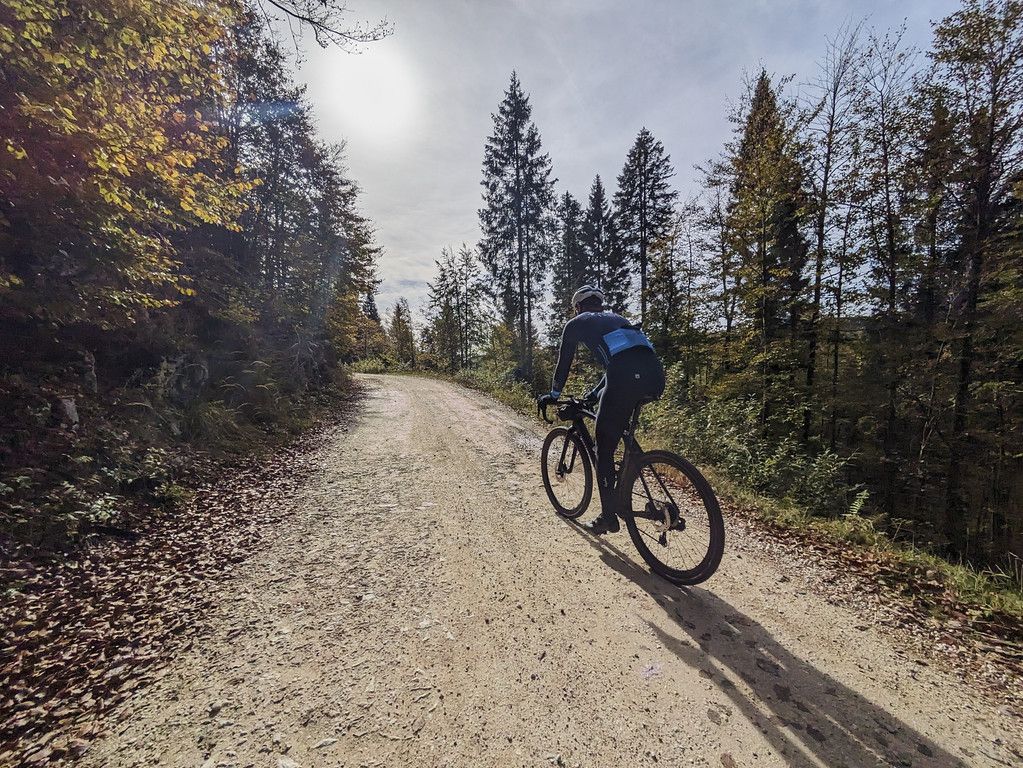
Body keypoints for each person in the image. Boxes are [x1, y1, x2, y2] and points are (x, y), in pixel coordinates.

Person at [538, 285, 665, 534]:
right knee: (618, 429)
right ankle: (628, 478)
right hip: (655, 376)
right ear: (599, 303)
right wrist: (593, 397)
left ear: (578, 307)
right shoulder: (619, 319)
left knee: (603, 447)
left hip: (625, 377)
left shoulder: (577, 323)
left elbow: (565, 361)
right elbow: (620, 364)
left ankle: (608, 517)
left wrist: (553, 394)